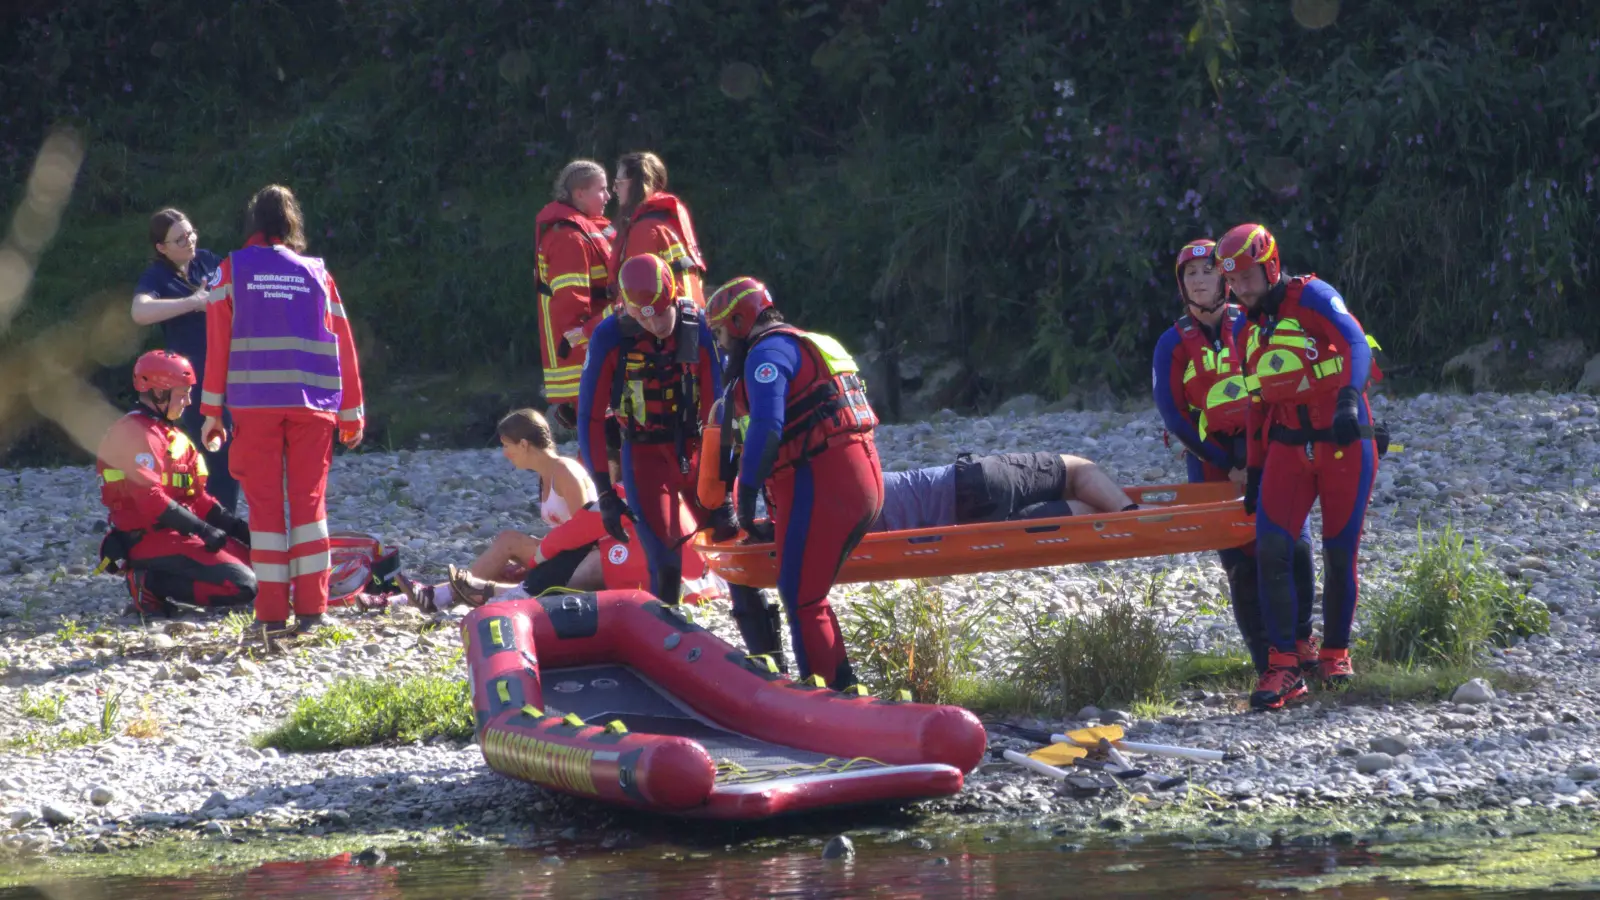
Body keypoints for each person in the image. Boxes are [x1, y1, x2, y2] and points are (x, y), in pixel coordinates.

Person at [1217, 222, 1381, 710]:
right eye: (1234, 281)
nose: (1241, 289)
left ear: (1270, 267)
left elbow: (1354, 345)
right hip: (1288, 447)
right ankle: (1284, 665)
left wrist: (1351, 399)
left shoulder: (1313, 297)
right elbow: (1257, 404)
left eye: (1248, 277)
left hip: (1343, 442)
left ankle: (1335, 653)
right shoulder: (1247, 327)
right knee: (1270, 547)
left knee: (1338, 551)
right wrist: (1256, 468)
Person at [199, 184, 366, 636]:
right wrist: (352, 412)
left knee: (266, 509)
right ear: (292, 223)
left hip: (254, 405)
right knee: (310, 506)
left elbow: (218, 345)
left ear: (253, 222)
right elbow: (343, 345)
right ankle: (314, 610)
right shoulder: (317, 272)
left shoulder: (230, 271)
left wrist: (211, 410)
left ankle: (271, 614)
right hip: (315, 405)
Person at [1151, 238, 1320, 678]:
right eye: (1191, 273)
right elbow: (1174, 416)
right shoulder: (1171, 344)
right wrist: (1228, 465)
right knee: (1242, 568)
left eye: (1209, 270)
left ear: (1226, 279)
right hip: (1212, 465)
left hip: (1272, 452)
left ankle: (1303, 645)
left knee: (1293, 549)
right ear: (1181, 286)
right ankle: (1267, 663)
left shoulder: (1254, 323)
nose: (1200, 279)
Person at [707, 276, 883, 691]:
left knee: (800, 596)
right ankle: (845, 688)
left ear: (737, 322)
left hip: (825, 482)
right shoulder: (810, 342)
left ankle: (824, 701)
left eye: (719, 333)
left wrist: (746, 497)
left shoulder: (765, 353)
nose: (719, 345)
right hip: (862, 478)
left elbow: (768, 426)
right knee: (810, 593)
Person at [575, 254, 724, 607]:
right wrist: (606, 494)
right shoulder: (610, 336)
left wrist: (726, 479)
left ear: (673, 297)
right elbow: (590, 418)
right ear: (628, 309)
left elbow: (718, 408)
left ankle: (762, 645)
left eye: (661, 311)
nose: (656, 324)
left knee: (730, 544)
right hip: (644, 456)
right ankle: (666, 642)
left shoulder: (697, 327)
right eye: (645, 315)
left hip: (697, 449)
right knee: (666, 563)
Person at [95, 350, 255, 616]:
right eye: (183, 394)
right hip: (149, 537)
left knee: (263, 570)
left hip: (178, 533)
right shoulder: (135, 434)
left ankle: (160, 578)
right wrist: (204, 531)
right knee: (242, 586)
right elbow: (149, 499)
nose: (188, 402)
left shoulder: (172, 435)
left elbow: (197, 497)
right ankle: (148, 584)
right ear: (159, 394)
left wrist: (238, 529)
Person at [430, 481, 728, 610]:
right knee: (576, 556)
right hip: (694, 578)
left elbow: (575, 531)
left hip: (657, 576)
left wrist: (533, 562)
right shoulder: (662, 488)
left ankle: (470, 595)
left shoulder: (619, 488)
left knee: (568, 560)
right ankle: (461, 592)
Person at [130, 208, 239, 513]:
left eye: (190, 233)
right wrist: (193, 303)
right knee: (210, 448)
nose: (189, 241)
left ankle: (226, 519)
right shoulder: (158, 276)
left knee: (233, 447)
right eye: (179, 239)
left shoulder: (208, 260)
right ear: (161, 248)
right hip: (192, 378)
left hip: (229, 367)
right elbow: (140, 312)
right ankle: (209, 520)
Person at [534, 161, 616, 427]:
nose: (608, 197)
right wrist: (584, 336)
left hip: (594, 343)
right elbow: (570, 304)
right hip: (582, 351)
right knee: (598, 437)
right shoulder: (569, 238)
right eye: (601, 190)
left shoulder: (586, 229)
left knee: (602, 438)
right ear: (579, 193)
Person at [871, 453, 1136, 533]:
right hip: (972, 480)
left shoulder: (841, 516)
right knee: (1076, 468)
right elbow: (1080, 470)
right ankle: (1131, 513)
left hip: (972, 527)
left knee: (1082, 510)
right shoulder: (864, 484)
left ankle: (1124, 514)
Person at [609, 152, 707, 308]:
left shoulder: (645, 230)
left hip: (665, 322)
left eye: (619, 182)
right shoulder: (666, 221)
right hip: (690, 316)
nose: (614, 189)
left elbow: (634, 296)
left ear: (636, 184)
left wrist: (588, 329)